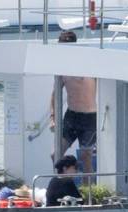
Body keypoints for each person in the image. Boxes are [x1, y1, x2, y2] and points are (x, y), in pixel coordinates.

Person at [50, 31, 97, 175]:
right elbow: (54, 95)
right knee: (55, 154)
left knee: (86, 157)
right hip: (71, 116)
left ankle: (88, 194)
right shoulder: (61, 69)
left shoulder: (89, 63)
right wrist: (53, 118)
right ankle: (63, 183)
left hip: (89, 117)